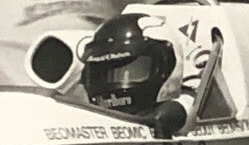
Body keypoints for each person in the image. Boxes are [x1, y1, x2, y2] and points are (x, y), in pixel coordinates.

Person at [80, 11, 212, 136]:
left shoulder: (179, 111)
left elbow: (185, 112)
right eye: (106, 74)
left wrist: (173, 117)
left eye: (135, 71)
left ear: (166, 66)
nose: (120, 80)